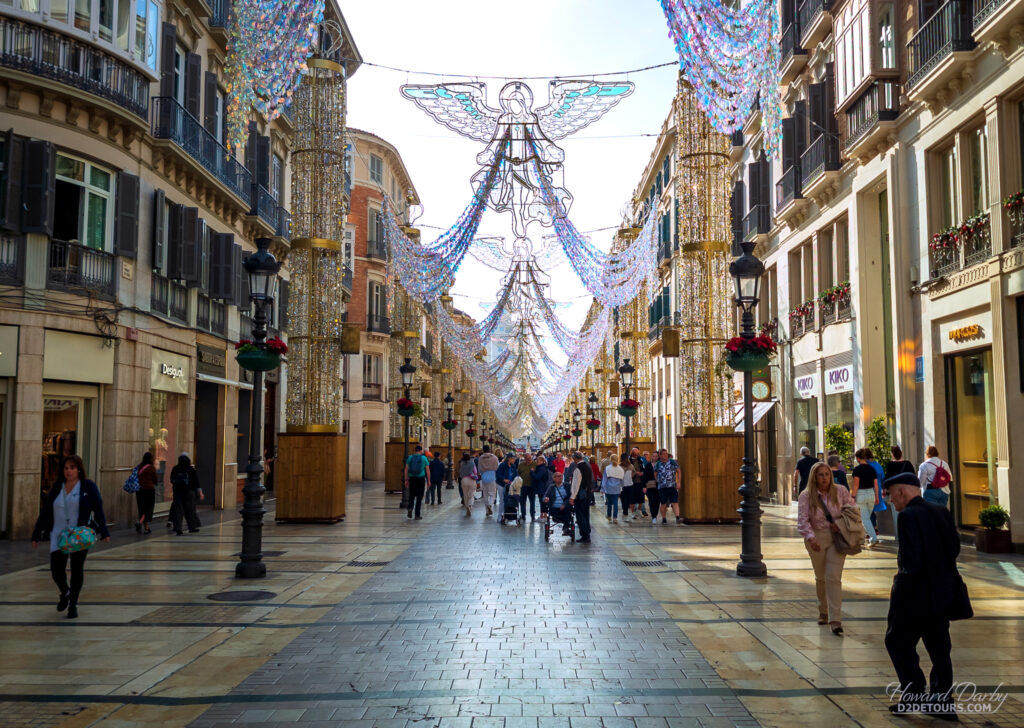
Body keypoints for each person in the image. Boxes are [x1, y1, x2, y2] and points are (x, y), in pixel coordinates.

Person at [884, 472, 964, 719]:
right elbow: (955, 548)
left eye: (891, 495)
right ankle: (942, 700)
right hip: (942, 591)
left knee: (897, 641)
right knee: (939, 647)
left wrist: (901, 590)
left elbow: (911, 560)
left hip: (915, 594)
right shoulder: (942, 511)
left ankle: (914, 693)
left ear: (902, 492)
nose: (890, 501)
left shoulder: (907, 516)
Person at [31, 455, 111, 619]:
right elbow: (45, 511)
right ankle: (65, 592)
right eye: (66, 468)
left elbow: (98, 509)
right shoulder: (57, 488)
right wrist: (37, 533)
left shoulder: (88, 486)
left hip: (79, 535)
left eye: (72, 468)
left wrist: (104, 531)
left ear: (79, 469)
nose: (69, 471)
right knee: (56, 570)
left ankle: (73, 604)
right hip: (58, 534)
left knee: (76, 569)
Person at [797, 462, 855, 635]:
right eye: (821, 475)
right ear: (814, 477)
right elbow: (802, 520)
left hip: (837, 537)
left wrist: (841, 524)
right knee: (821, 577)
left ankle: (835, 619)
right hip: (816, 537)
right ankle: (823, 610)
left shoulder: (841, 491)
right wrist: (811, 537)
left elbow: (852, 510)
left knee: (833, 577)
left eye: (827, 474)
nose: (825, 478)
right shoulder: (806, 495)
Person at [851, 448, 880, 546]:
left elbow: (856, 485)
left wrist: (852, 496)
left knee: (865, 519)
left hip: (861, 494)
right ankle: (864, 537)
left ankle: (873, 538)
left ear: (858, 458)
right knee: (866, 517)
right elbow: (876, 484)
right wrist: (877, 497)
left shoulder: (857, 469)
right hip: (871, 493)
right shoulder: (872, 469)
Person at [170, 453, 203, 534]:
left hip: (177, 492)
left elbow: (171, 480)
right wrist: (200, 492)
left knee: (178, 511)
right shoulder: (190, 469)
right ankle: (192, 527)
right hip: (189, 492)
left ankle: (178, 528)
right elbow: (196, 482)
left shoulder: (175, 468)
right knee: (190, 510)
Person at [568, 451, 593, 542]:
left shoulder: (578, 469)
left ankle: (585, 535)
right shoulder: (588, 466)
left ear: (574, 458)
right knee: (586, 514)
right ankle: (587, 534)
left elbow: (576, 484)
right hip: (588, 494)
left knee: (580, 515)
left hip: (580, 495)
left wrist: (572, 497)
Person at [654, 449, 682, 524]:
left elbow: (679, 471)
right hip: (662, 487)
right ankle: (664, 518)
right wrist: (657, 481)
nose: (665, 455)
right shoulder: (658, 464)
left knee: (675, 502)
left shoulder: (672, 462)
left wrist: (678, 482)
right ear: (660, 455)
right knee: (663, 503)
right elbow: (655, 473)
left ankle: (677, 517)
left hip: (672, 485)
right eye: (663, 454)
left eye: (666, 454)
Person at [403, 444, 430, 520]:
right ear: (421, 451)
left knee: (412, 495)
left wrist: (406, 480)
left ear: (415, 451)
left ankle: (410, 507)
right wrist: (429, 480)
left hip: (412, 478)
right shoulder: (424, 458)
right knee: (419, 497)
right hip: (421, 478)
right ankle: (417, 515)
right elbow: (427, 470)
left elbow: (406, 469)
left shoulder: (410, 457)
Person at [135, 451, 158, 534]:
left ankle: (146, 528)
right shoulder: (151, 468)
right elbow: (155, 480)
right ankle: (140, 522)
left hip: (140, 490)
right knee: (148, 509)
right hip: (149, 490)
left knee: (142, 509)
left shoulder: (140, 467)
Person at [477, 446, 500, 517]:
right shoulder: (495, 458)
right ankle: (490, 505)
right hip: (492, 476)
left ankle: (487, 511)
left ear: (483, 450)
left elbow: (479, 469)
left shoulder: (480, 458)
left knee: (485, 494)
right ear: (489, 450)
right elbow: (497, 467)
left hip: (484, 477)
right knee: (492, 494)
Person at [601, 454, 625, 522]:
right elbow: (622, 480)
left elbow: (604, 479)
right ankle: (615, 518)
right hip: (617, 489)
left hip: (609, 488)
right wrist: (622, 487)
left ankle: (609, 515)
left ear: (610, 459)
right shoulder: (620, 469)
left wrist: (603, 488)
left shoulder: (607, 468)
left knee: (609, 503)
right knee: (615, 503)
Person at [496, 453, 517, 518]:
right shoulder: (502, 465)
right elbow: (498, 474)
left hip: (510, 485)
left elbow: (515, 474)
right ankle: (500, 516)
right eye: (513, 458)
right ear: (509, 459)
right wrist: (503, 479)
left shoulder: (513, 466)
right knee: (502, 500)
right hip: (501, 484)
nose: (514, 460)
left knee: (509, 499)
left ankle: (507, 514)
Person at [458, 452, 478, 517]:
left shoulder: (462, 463)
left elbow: (460, 472)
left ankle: (467, 506)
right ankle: (470, 504)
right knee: (471, 494)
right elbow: (475, 472)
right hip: (471, 480)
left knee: (465, 494)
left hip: (464, 480)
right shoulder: (472, 463)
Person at [518, 453, 536, 521]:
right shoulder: (521, 465)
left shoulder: (535, 464)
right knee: (522, 502)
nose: (529, 460)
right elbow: (518, 473)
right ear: (524, 458)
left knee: (532, 502)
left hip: (532, 486)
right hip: (523, 486)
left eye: (530, 458)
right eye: (527, 458)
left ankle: (532, 515)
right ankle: (523, 515)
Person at [532, 455, 551, 522]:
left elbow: (537, 477)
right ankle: (543, 515)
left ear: (543, 461)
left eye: (538, 460)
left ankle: (544, 516)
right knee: (542, 502)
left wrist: (532, 472)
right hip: (542, 487)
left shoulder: (541, 469)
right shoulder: (542, 468)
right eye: (537, 460)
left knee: (543, 502)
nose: (537, 461)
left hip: (542, 487)